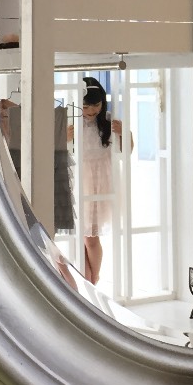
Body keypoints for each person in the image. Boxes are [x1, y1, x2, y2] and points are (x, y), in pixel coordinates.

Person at [69, 77, 128, 285]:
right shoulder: (71, 122)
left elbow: (126, 151)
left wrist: (124, 133)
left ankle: (92, 281)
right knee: (80, 237)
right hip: (78, 180)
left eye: (96, 105)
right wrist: (64, 137)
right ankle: (89, 281)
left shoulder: (109, 122)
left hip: (101, 182)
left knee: (90, 236)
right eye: (86, 106)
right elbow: (57, 152)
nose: (92, 111)